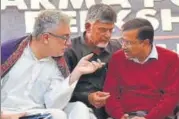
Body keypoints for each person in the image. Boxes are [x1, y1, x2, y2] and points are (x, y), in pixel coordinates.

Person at [1, 10, 105, 119]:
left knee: (79, 108)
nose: (69, 43)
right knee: (57, 115)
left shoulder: (57, 64)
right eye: (65, 38)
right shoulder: (8, 52)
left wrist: (77, 73)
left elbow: (55, 104)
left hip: (36, 114)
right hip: (6, 113)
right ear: (46, 38)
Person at [103, 18, 179, 119]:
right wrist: (120, 116)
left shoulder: (170, 59)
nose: (123, 46)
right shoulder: (117, 58)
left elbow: (171, 97)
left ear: (145, 43)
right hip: (125, 115)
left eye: (129, 43)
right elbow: (110, 94)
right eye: (122, 41)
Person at [64, 3, 121, 119]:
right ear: (88, 26)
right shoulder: (68, 50)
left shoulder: (116, 48)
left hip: (113, 109)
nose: (108, 35)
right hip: (79, 109)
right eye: (102, 30)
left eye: (111, 30)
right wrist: (88, 97)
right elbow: (59, 90)